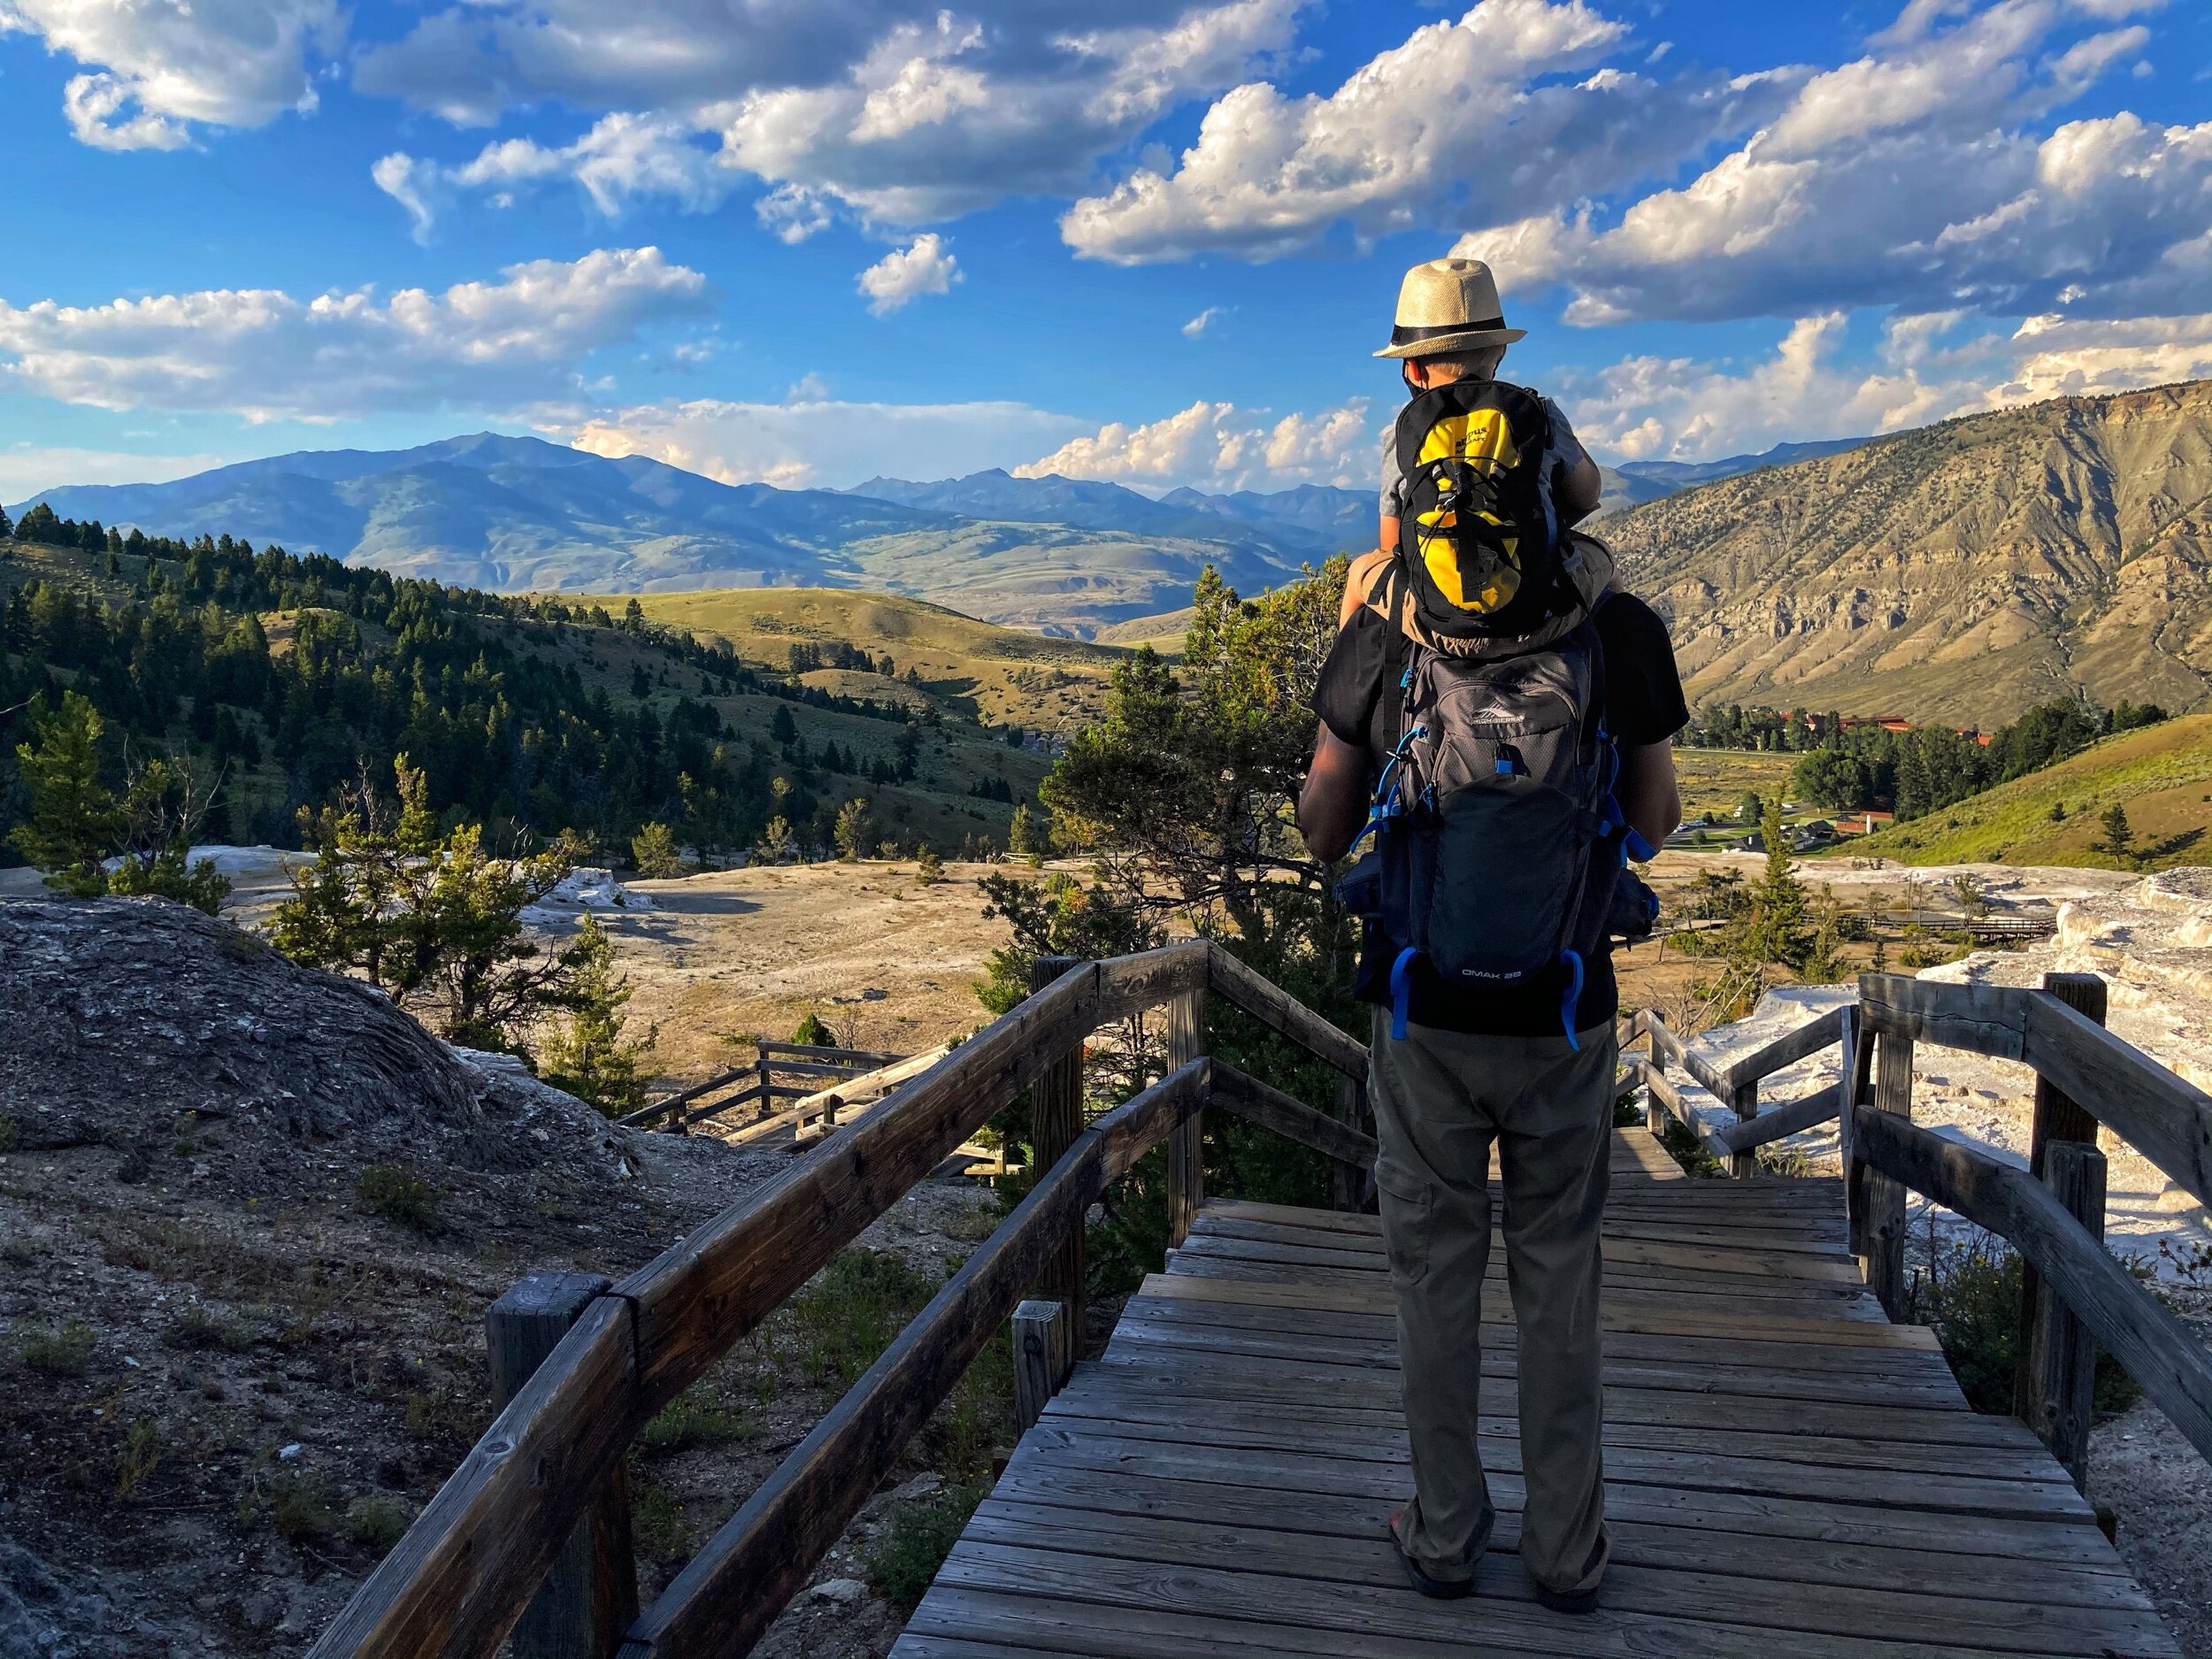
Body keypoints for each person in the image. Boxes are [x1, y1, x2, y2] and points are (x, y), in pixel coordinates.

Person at [1296, 257, 1686, 1614]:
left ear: (1411, 376)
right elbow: (1654, 823)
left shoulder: (1385, 626)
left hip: (1423, 1006)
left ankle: (1447, 1536)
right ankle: (1570, 1554)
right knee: (1562, 1284)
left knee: (1436, 1283)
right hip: (1570, 1007)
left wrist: (1362, 654)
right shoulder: (1616, 623)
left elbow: (1321, 834)